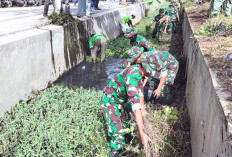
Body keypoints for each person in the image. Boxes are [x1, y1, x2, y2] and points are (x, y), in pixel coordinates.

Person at [100, 55, 150, 156]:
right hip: (110, 101)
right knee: (117, 136)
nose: (153, 74)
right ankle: (115, 151)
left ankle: (126, 149)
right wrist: (142, 134)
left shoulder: (139, 73)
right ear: (146, 67)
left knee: (126, 128)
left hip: (120, 102)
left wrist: (143, 109)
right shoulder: (133, 76)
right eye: (153, 70)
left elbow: (140, 93)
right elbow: (136, 109)